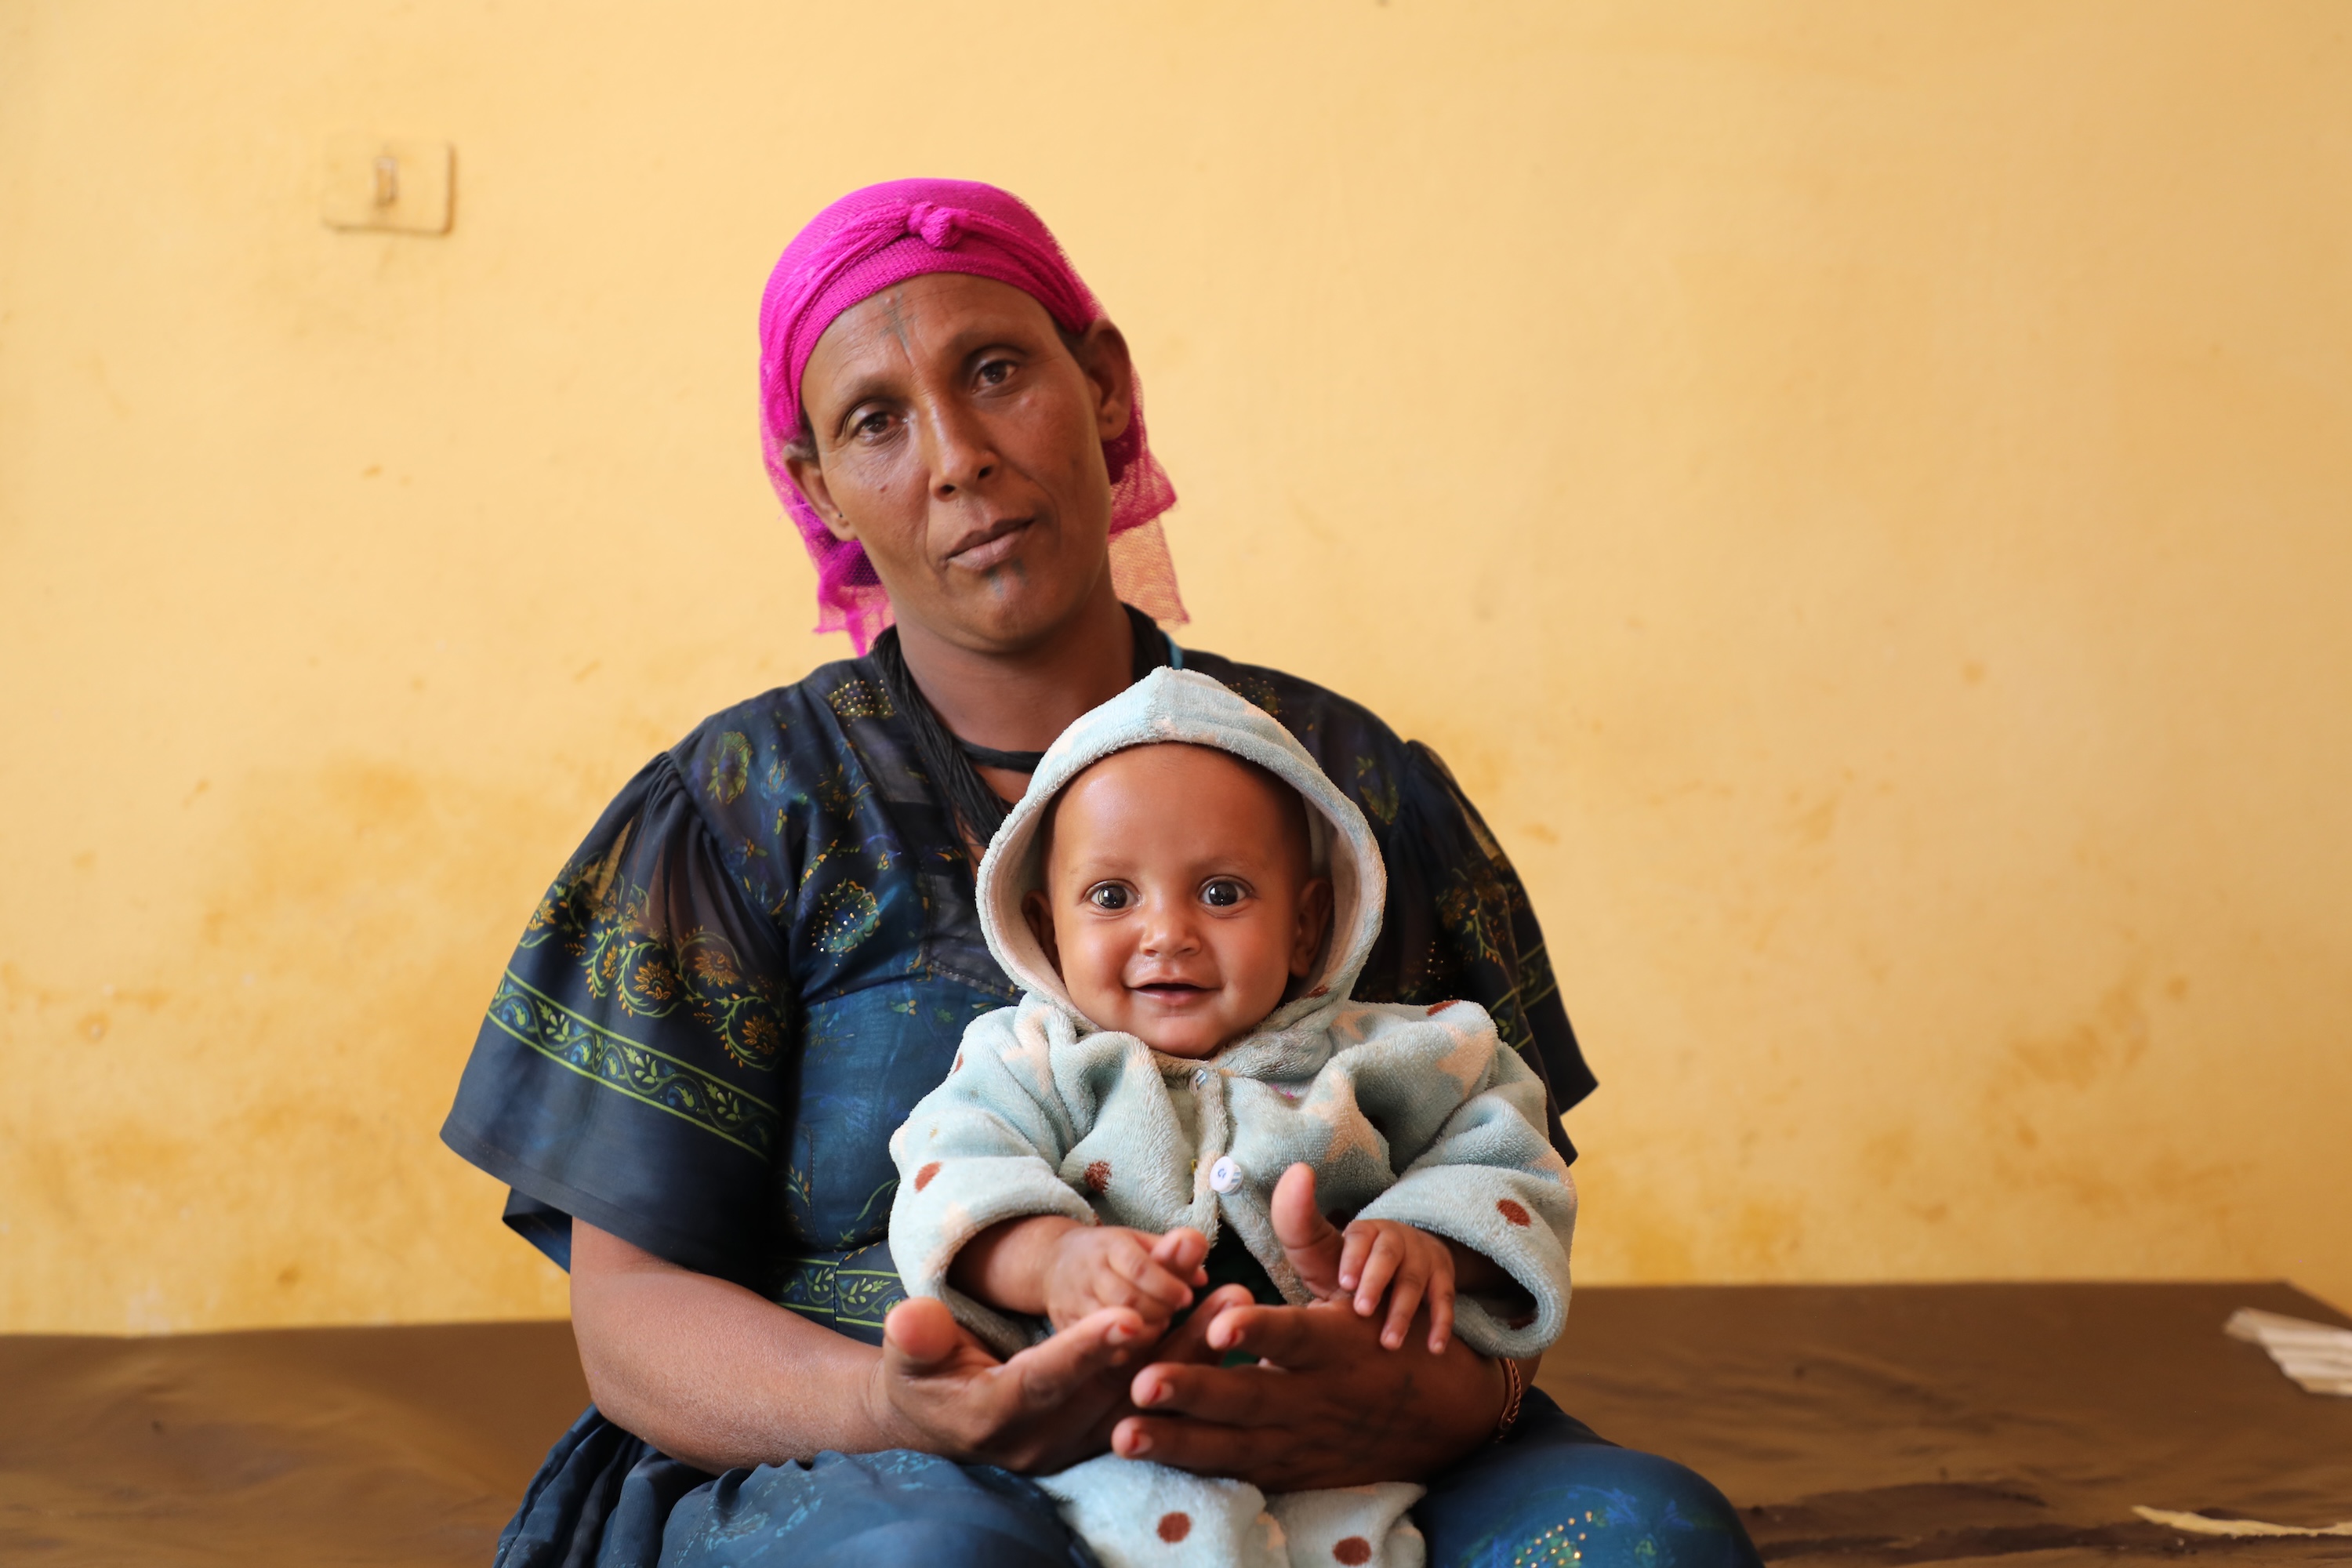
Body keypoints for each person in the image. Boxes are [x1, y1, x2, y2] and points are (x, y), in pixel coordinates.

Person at [440, 177, 1764, 1567]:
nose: (956, 459)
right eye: (875, 422)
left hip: (1353, 1471)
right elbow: (631, 1319)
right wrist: (896, 1405)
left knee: (1646, 1540)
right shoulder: (738, 818)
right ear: (819, 489)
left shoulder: (1345, 790)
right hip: (876, 1473)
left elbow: (1510, 1195)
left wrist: (1422, 1403)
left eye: (996, 370)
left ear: (1107, 388)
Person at [890, 667, 1579, 1568]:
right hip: (1107, 1444)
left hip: (1353, 1441)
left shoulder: (1395, 1054)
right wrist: (1054, 1257)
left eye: (1220, 893)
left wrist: (1427, 1241)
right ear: (1045, 923)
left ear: (1305, 924)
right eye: (1111, 896)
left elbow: (1513, 1154)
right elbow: (953, 1168)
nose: (1166, 931)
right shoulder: (1029, 1060)